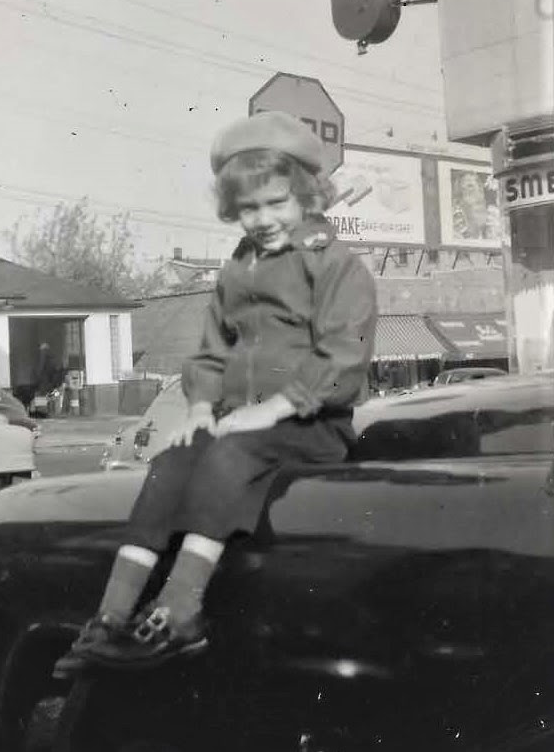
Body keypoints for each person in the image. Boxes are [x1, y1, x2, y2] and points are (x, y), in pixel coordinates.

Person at [53, 111, 377, 677]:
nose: (264, 219)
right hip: (244, 428)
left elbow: (343, 355)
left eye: (278, 203)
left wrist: (271, 409)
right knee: (172, 464)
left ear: (306, 197)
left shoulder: (336, 264)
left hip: (310, 424)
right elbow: (209, 351)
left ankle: (181, 612)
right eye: (249, 209)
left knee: (229, 454)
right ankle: (111, 616)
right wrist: (201, 408)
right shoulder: (237, 271)